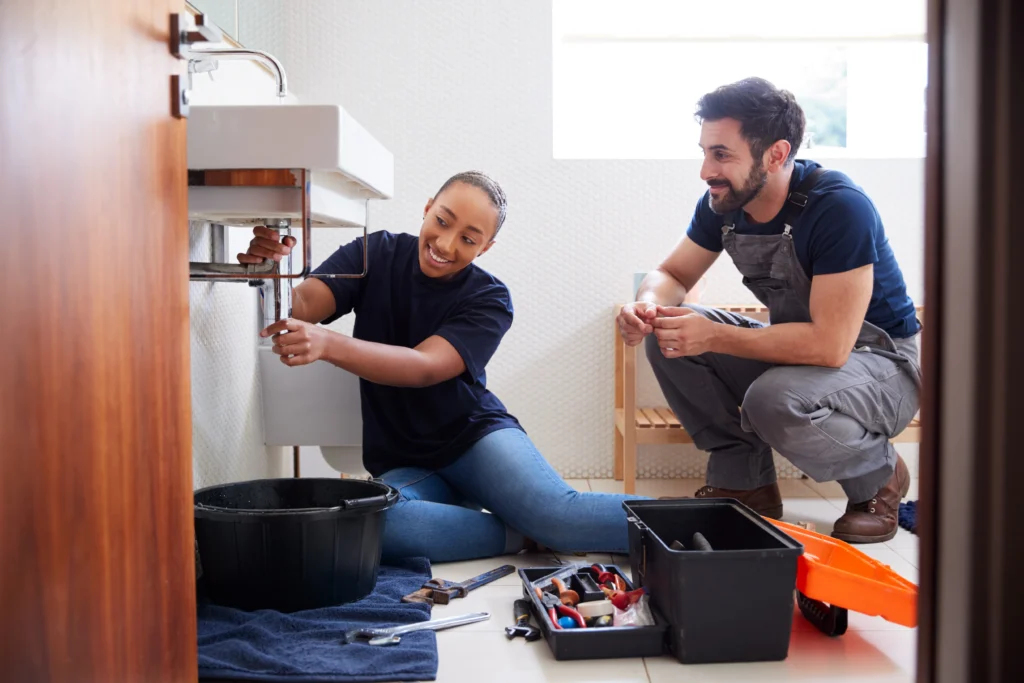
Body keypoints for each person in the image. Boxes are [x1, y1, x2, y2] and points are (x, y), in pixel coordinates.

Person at [242, 171, 646, 562]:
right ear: (427, 207)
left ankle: (695, 521)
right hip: (405, 460)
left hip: (474, 440)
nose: (447, 244)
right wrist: (272, 270)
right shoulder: (373, 253)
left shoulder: (489, 298)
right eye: (442, 221)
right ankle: (520, 533)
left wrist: (329, 343)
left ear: (485, 248)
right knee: (376, 520)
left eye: (469, 239)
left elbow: (423, 367)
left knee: (561, 516)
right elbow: (305, 303)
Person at [617, 78, 921, 544]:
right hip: (805, 354)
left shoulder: (839, 208)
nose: (705, 170)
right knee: (670, 336)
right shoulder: (724, 202)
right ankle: (748, 483)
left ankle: (877, 477)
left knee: (771, 398)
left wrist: (714, 336)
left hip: (882, 364)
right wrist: (649, 306)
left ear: (777, 154)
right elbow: (673, 274)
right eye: (704, 152)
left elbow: (830, 345)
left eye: (721, 154)